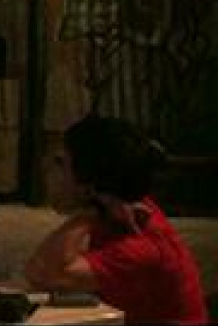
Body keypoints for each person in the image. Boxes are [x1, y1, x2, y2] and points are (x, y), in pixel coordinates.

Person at [23, 113, 208, 324]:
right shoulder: (121, 207)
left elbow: (41, 272)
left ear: (89, 187)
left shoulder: (138, 247)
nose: (45, 166)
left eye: (60, 163)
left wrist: (88, 214)